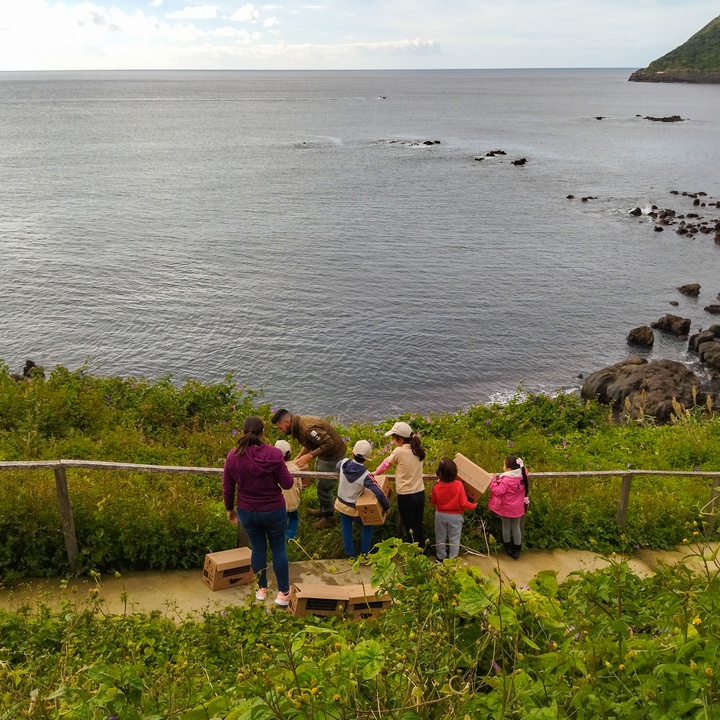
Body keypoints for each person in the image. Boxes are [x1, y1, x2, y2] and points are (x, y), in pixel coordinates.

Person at [222, 416, 295, 606]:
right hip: (273, 509)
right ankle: (283, 593)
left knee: (258, 549)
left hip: (247, 510)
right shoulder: (274, 454)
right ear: (263, 433)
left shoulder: (233, 455)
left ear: (244, 432)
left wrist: (230, 509)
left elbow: (227, 486)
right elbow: (287, 484)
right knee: (278, 548)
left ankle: (261, 590)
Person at [271, 408, 347, 529]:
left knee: (324, 487)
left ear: (287, 422)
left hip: (332, 456)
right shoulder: (298, 425)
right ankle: (324, 509)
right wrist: (300, 457)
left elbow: (329, 443)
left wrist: (310, 456)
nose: (281, 431)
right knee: (319, 481)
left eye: (281, 428)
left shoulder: (308, 428)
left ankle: (329, 517)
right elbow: (310, 443)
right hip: (323, 455)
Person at [335, 440, 391, 558]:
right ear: (367, 458)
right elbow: (379, 493)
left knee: (346, 529)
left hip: (341, 504)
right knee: (368, 525)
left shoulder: (343, 463)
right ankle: (364, 553)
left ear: (353, 452)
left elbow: (337, 465)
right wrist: (387, 507)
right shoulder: (366, 475)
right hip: (354, 508)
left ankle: (351, 555)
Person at [374, 421, 426, 549]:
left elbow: (386, 464)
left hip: (406, 496)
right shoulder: (417, 450)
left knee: (410, 529)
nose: (393, 441)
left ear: (400, 439)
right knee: (418, 525)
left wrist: (375, 472)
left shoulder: (399, 451)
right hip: (420, 493)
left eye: (393, 438)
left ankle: (414, 558)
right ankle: (422, 552)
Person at [429, 457, 477, 560]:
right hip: (455, 516)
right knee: (454, 539)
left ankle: (441, 557)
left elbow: (433, 501)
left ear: (439, 472)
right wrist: (473, 505)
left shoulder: (436, 486)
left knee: (440, 537)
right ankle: (452, 559)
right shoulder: (459, 485)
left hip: (440, 515)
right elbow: (463, 503)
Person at [488, 455, 530, 559]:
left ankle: (508, 548)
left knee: (506, 527)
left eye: (504, 465)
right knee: (516, 528)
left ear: (509, 469)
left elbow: (498, 492)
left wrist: (493, 481)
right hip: (519, 507)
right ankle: (517, 550)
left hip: (506, 508)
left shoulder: (506, 480)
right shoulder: (523, 475)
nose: (503, 467)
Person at [274, 439, 303, 540]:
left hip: (277, 503)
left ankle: (280, 536)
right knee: (293, 518)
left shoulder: (273, 467)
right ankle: (291, 537)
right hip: (293, 502)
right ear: (289, 453)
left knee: (280, 520)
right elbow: (300, 486)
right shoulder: (295, 468)